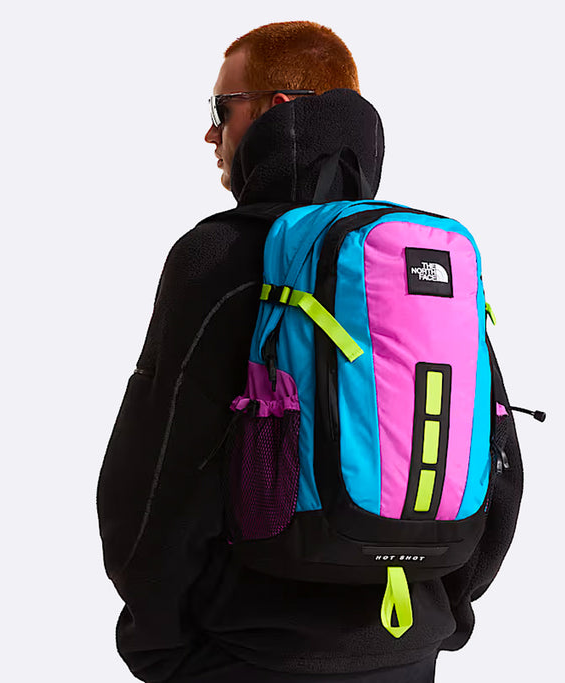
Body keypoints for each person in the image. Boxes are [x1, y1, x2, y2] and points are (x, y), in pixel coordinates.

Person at [96, 21, 523, 683]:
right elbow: (501, 459)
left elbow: (153, 473)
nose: (210, 134)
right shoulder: (417, 257)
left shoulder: (218, 254)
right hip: (407, 649)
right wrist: (443, 613)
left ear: (277, 109)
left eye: (221, 109)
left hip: (245, 653)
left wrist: (158, 643)